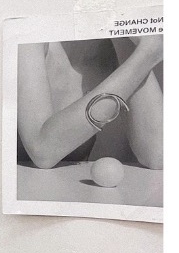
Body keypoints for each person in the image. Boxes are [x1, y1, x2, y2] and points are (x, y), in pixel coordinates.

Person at [16, 34, 164, 170]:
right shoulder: (32, 38)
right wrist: (147, 53)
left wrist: (129, 43)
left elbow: (158, 156)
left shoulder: (114, 45)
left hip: (64, 187)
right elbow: (42, 152)